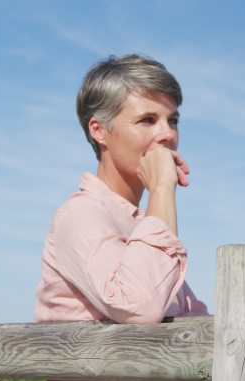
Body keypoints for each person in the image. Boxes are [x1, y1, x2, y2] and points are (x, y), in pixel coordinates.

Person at [35, 54, 207, 329]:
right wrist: (162, 187)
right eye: (147, 120)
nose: (167, 134)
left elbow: (193, 319)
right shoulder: (80, 214)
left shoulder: (145, 221)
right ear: (99, 130)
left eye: (172, 120)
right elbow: (141, 306)